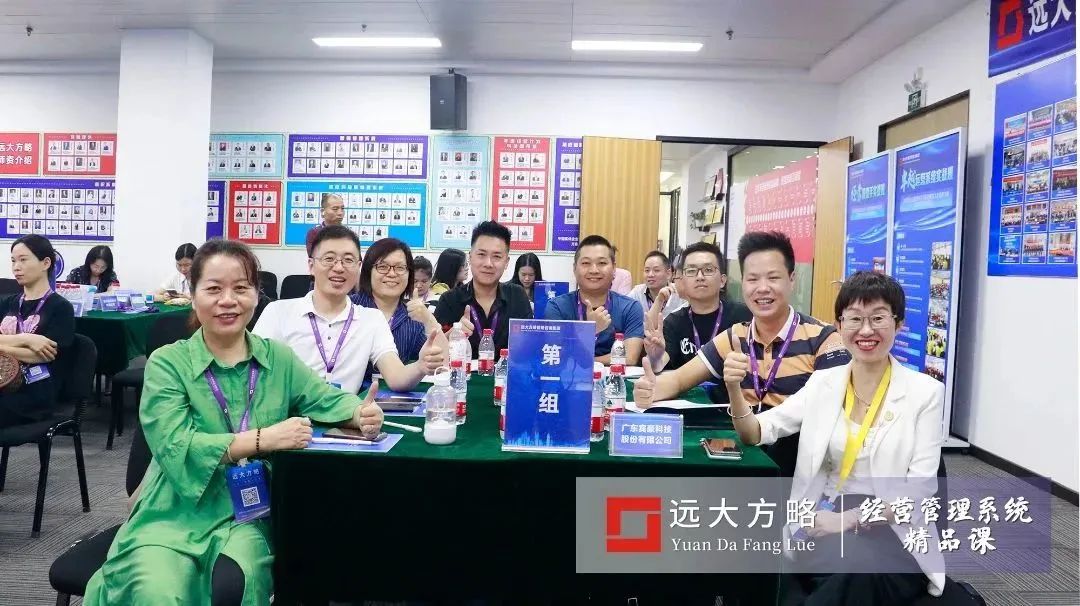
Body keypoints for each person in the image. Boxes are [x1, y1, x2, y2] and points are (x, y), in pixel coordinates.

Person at [84, 239, 384, 605]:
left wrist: (360, 412)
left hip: (247, 513)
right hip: (173, 509)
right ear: (193, 294)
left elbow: (325, 398)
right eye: (214, 289)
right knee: (156, 590)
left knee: (237, 584)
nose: (228, 300)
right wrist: (263, 439)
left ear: (257, 295)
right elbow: (176, 444)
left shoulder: (277, 358)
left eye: (241, 288)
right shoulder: (168, 364)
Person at [724, 271, 944, 602]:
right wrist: (733, 389)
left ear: (898, 324)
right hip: (822, 515)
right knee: (852, 572)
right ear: (839, 326)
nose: (866, 330)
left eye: (878, 318)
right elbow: (756, 432)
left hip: (893, 527)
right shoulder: (823, 383)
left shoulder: (925, 393)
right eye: (854, 318)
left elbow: (919, 492)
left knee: (860, 571)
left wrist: (847, 520)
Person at [633, 231, 849, 474]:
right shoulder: (735, 336)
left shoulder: (824, 339)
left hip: (801, 471)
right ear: (743, 283)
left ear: (792, 279)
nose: (762, 288)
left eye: (773, 278)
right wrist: (651, 389)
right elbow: (679, 379)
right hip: (745, 466)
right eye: (752, 279)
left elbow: (828, 413)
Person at [255, 226, 445, 394]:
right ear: (311, 266)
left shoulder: (372, 319)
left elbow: (396, 377)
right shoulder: (278, 312)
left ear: (358, 267)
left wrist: (420, 366)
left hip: (344, 419)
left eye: (348, 260)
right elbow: (251, 375)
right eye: (329, 259)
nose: (339, 267)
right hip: (288, 417)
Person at [0, 235, 75, 428]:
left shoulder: (60, 307)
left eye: (23, 260)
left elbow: (43, 355)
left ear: (46, 263)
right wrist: (27, 339)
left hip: (35, 392)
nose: (16, 267)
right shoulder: (7, 303)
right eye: (13, 261)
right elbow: (31, 350)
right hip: (3, 381)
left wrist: (4, 345)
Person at [643, 242, 752, 374]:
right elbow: (659, 365)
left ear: (722, 280)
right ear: (682, 281)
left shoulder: (745, 316)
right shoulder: (673, 323)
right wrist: (655, 358)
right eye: (691, 271)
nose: (700, 277)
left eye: (708, 270)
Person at [434, 221, 532, 357]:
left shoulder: (517, 296)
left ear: (506, 262)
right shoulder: (449, 300)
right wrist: (453, 335)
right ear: (470, 257)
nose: (488, 263)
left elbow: (529, 346)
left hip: (506, 371)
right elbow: (434, 351)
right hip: (462, 371)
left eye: (497, 256)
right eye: (481, 254)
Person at [350, 236, 446, 371]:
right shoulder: (349, 307)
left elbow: (442, 365)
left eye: (400, 268)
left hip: (396, 384)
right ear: (368, 272)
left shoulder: (413, 318)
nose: (392, 274)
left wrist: (429, 320)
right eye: (382, 267)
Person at [543, 235, 644, 364]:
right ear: (574, 268)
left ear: (613, 268)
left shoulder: (630, 308)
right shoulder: (557, 307)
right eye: (586, 263)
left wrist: (588, 362)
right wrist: (590, 331)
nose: (594, 270)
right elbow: (556, 355)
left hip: (616, 376)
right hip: (571, 376)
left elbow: (629, 357)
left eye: (602, 263)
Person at [628, 251, 684, 319]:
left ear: (668, 274)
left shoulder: (680, 292)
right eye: (647, 270)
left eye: (656, 270)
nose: (650, 275)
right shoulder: (637, 293)